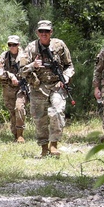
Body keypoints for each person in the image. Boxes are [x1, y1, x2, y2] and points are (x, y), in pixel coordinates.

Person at [19, 20, 74, 157]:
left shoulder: (59, 45)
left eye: (47, 31)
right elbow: (21, 70)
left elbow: (69, 66)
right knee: (39, 118)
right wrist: (33, 65)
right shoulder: (31, 48)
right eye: (41, 31)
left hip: (56, 86)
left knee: (57, 111)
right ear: (37, 33)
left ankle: (54, 144)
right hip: (38, 86)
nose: (44, 34)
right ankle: (44, 147)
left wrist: (66, 77)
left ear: (51, 32)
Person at [0, 35, 28, 143]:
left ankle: (20, 134)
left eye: (14, 44)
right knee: (12, 111)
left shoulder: (25, 56)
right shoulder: (4, 56)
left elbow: (30, 69)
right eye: (10, 45)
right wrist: (9, 75)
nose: (12, 47)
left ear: (19, 45)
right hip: (8, 87)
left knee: (19, 108)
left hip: (21, 87)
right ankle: (15, 134)